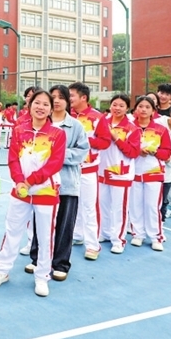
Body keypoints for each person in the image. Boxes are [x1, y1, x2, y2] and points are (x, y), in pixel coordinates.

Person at [0, 90, 66, 297]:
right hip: (20, 191)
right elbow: (13, 159)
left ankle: (42, 276)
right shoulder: (19, 130)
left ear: (51, 108)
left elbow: (54, 164)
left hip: (45, 192)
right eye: (36, 103)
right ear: (29, 106)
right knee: (12, 230)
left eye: (45, 104)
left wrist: (30, 181)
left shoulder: (58, 134)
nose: (40, 107)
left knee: (45, 235)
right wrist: (19, 180)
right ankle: (2, 270)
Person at [23, 85, 88, 280]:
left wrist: (57, 155)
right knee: (40, 223)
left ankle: (60, 263)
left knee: (64, 224)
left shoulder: (75, 126)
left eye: (61, 97)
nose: (57, 100)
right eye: (53, 97)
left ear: (68, 101)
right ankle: (37, 260)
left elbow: (82, 153)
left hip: (67, 183)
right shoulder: (40, 124)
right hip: (42, 184)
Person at [69, 82, 112, 261]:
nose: (68, 98)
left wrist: (85, 141)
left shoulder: (97, 117)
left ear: (83, 98)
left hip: (88, 169)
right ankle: (77, 235)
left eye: (71, 95)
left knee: (89, 207)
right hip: (69, 168)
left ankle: (93, 245)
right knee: (72, 205)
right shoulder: (67, 116)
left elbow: (105, 142)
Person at [128, 96, 171, 251]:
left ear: (154, 110)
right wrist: (136, 151)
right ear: (135, 109)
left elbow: (167, 153)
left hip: (154, 173)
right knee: (134, 205)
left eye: (147, 107)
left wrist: (155, 152)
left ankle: (156, 237)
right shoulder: (128, 128)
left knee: (152, 206)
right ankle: (138, 234)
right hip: (132, 173)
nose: (143, 110)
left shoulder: (161, 130)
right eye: (140, 106)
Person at [99, 94, 141, 253]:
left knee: (119, 208)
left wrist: (116, 138)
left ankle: (118, 239)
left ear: (127, 108)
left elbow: (133, 152)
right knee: (103, 205)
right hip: (102, 171)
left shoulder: (132, 128)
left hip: (121, 174)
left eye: (121, 105)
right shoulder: (102, 123)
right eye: (114, 104)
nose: (117, 108)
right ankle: (104, 232)